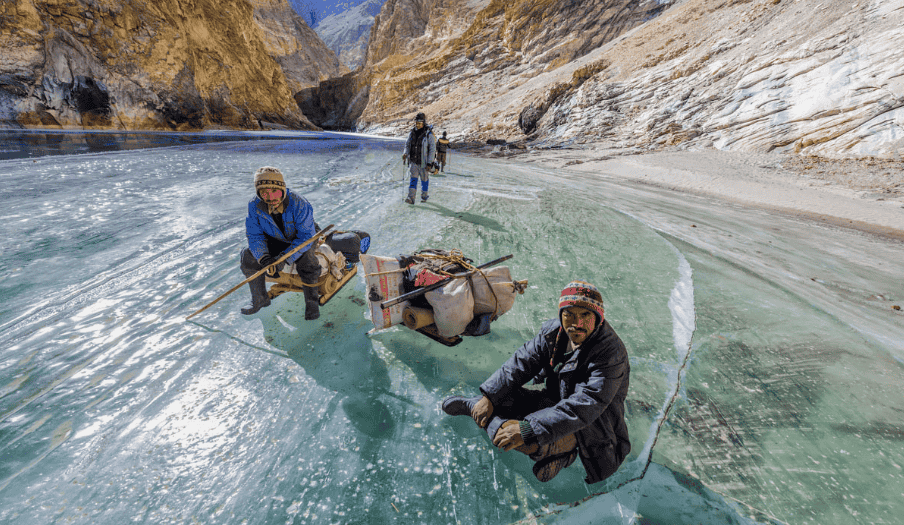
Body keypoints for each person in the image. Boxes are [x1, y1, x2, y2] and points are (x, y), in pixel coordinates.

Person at [442, 281, 631, 484]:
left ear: (598, 318)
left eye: (586, 315)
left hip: (592, 426)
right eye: (570, 314)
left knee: (524, 442)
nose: (577, 322)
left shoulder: (611, 353)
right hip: (553, 401)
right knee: (500, 399)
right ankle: (481, 407)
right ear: (561, 315)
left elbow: (586, 405)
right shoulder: (554, 333)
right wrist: (489, 397)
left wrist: (527, 429)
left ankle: (558, 450)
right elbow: (521, 362)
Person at [239, 166, 322, 320]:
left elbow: (306, 236)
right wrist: (264, 258)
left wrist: (283, 259)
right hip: (276, 238)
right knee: (247, 256)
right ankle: (260, 299)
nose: (270, 198)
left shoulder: (299, 203)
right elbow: (254, 235)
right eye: (264, 193)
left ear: (283, 189)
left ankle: (312, 303)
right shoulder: (254, 206)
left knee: (307, 262)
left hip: (304, 237)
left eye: (274, 191)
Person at [402, 112, 437, 204]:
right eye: (417, 123)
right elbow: (407, 144)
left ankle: (424, 196)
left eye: (420, 123)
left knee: (424, 180)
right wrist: (405, 153)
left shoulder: (428, 134)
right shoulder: (412, 132)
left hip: (424, 163)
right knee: (413, 180)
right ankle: (411, 198)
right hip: (414, 161)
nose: (418, 125)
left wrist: (430, 162)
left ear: (424, 122)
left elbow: (432, 149)